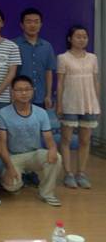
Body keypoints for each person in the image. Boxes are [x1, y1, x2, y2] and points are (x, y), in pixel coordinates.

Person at [0, 75, 62, 207]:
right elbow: (2, 145)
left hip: (34, 154)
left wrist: (53, 149)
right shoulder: (3, 113)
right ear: (12, 92)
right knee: (12, 186)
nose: (24, 93)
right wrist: (10, 168)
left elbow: (49, 138)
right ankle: (17, 180)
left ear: (33, 91)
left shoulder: (41, 113)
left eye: (27, 89)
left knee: (56, 157)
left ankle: (46, 193)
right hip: (13, 156)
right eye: (19, 90)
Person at [56, 25, 100, 189]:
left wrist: (96, 103)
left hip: (89, 103)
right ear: (70, 39)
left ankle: (81, 173)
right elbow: (60, 83)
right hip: (70, 103)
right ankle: (68, 173)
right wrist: (59, 104)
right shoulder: (63, 58)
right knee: (66, 139)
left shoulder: (93, 58)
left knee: (85, 140)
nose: (82, 39)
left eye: (84, 37)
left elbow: (95, 81)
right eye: (78, 36)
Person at [13, 8, 56, 109]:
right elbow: (11, 73)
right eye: (28, 22)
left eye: (36, 22)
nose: (33, 25)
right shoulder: (13, 45)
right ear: (22, 25)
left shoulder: (47, 46)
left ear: (41, 25)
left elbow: (48, 72)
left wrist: (48, 95)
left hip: (40, 97)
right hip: (19, 97)